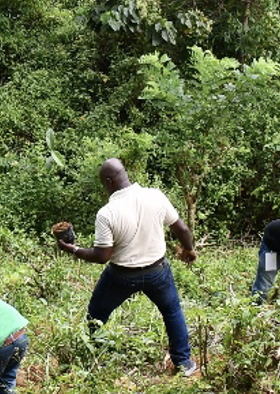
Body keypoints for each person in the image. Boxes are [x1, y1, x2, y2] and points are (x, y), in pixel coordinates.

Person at [57, 159, 199, 376]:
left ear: (108, 181)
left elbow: (102, 256)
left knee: (96, 313)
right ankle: (183, 362)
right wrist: (189, 250)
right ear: (124, 173)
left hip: (121, 275)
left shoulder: (107, 213)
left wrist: (74, 249)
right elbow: (182, 230)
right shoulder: (155, 195)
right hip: (157, 270)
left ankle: (95, 357)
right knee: (172, 311)